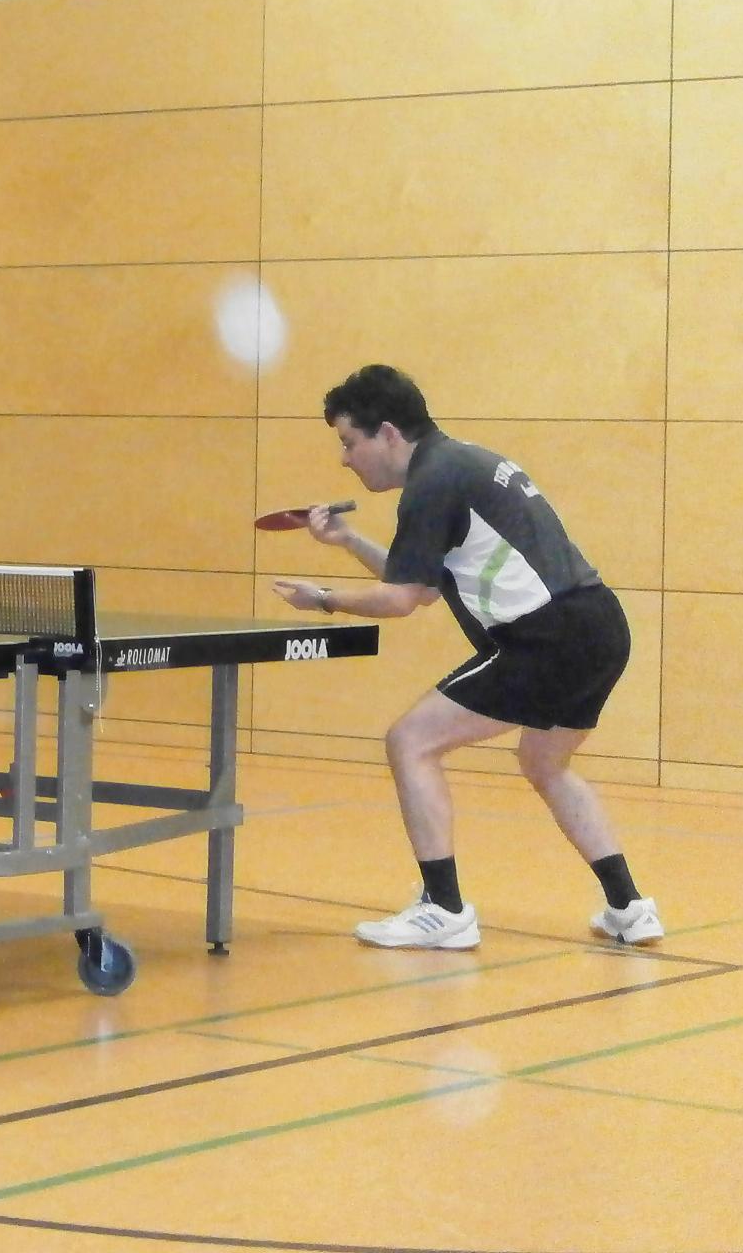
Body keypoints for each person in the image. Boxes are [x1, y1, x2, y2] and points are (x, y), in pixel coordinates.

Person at [271, 364, 661, 952]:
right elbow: (424, 585)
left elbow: (401, 601)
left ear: (388, 433)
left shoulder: (432, 484)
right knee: (545, 762)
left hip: (547, 638)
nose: (345, 460)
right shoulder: (461, 462)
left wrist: (323, 598)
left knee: (410, 741)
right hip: (601, 627)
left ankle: (444, 909)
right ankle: (630, 907)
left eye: (349, 443)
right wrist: (348, 540)